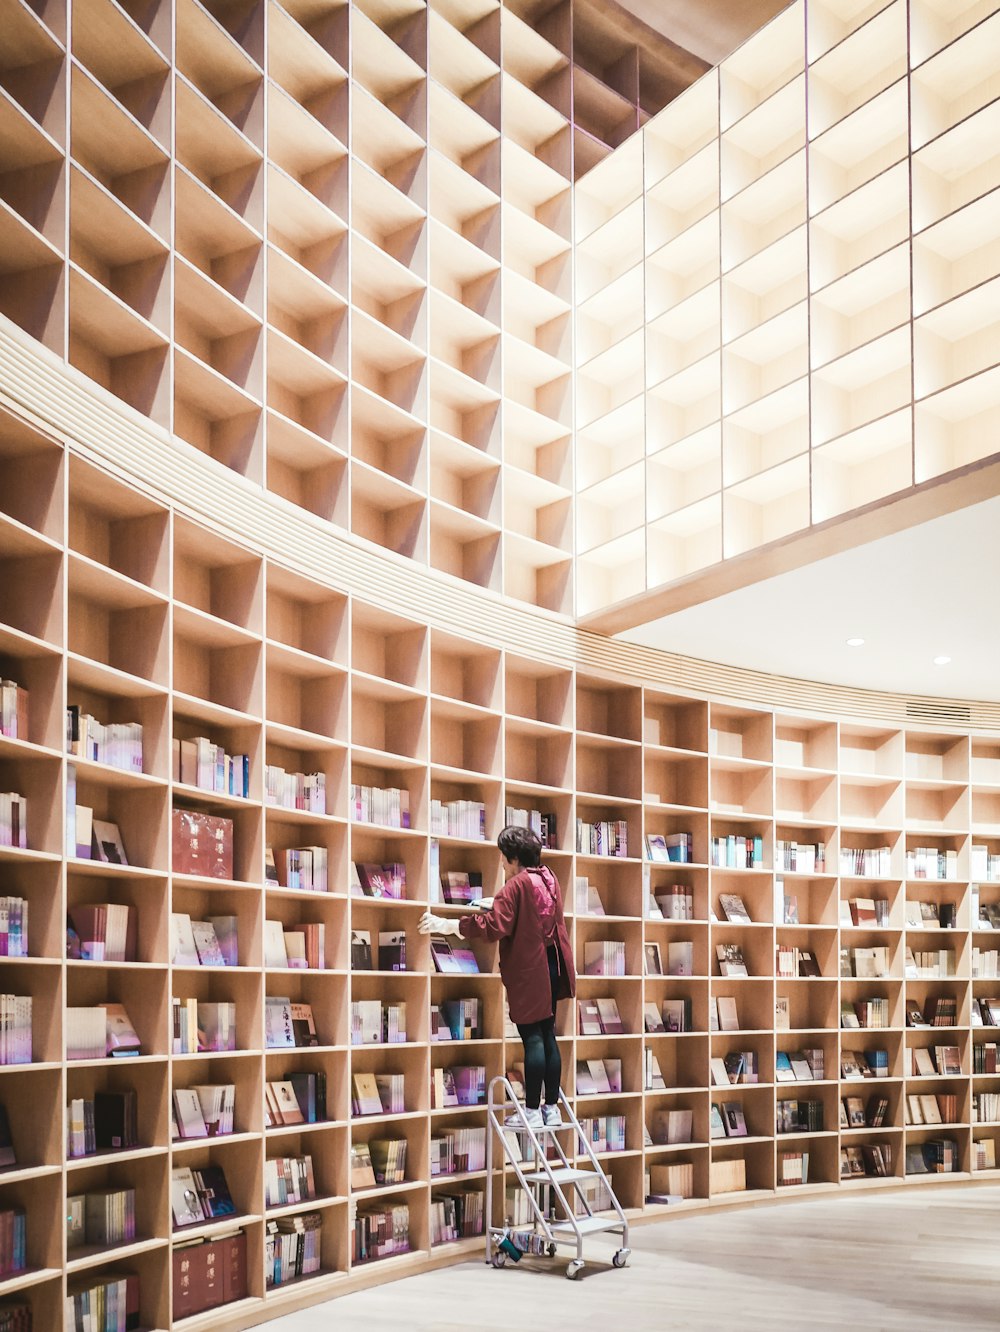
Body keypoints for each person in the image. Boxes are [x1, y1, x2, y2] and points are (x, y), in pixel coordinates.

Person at [419, 825, 575, 1131]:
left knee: (532, 1039)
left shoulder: (515, 886)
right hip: (553, 965)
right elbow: (533, 913)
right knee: (548, 1035)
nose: (503, 865)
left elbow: (493, 928)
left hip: (531, 971)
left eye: (504, 859)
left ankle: (530, 1111)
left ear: (513, 857)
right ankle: (550, 1109)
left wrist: (448, 924)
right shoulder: (548, 878)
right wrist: (498, 903)